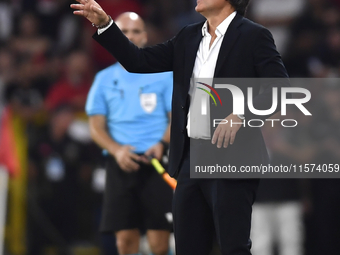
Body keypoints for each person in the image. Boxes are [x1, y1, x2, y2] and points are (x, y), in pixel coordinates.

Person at [71, 1, 289, 254]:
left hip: (232, 157)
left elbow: (279, 89)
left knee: (233, 247)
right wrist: (105, 25)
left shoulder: (254, 35)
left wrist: (240, 114)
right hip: (189, 158)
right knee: (187, 247)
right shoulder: (189, 35)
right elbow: (138, 61)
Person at [85, 12, 174, 255]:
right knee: (124, 242)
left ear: (145, 37)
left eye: (136, 31)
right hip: (120, 164)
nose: (130, 36)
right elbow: (95, 126)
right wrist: (116, 150)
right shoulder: (103, 79)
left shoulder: (165, 75)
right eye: (124, 31)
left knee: (159, 244)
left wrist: (162, 144)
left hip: (157, 164)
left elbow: (176, 118)